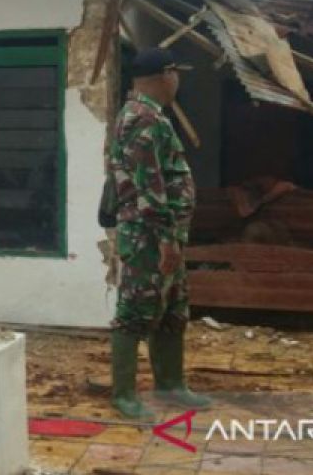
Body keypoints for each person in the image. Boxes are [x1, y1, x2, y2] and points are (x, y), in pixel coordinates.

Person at [101, 47, 210, 421]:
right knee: (134, 312)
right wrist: (165, 239)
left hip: (166, 235)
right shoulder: (142, 119)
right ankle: (125, 395)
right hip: (148, 236)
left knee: (172, 310)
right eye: (176, 73)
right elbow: (150, 186)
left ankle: (170, 385)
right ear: (165, 75)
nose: (178, 80)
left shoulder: (150, 117)